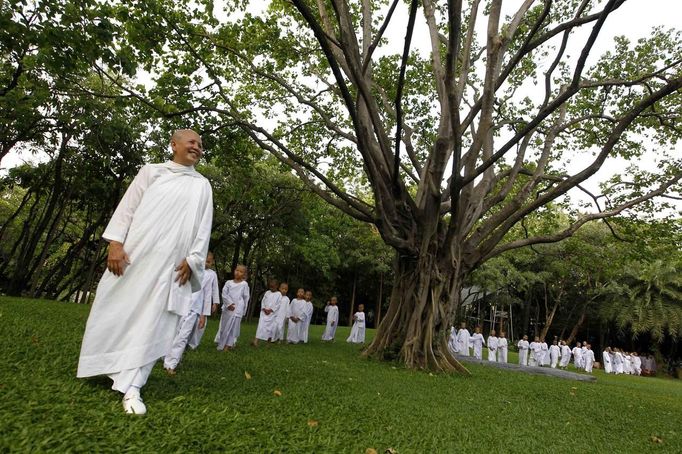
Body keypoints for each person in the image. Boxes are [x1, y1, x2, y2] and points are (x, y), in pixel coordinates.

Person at [77, 129, 213, 415]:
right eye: (192, 142)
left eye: (200, 145)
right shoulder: (152, 172)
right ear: (174, 145)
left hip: (174, 267)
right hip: (135, 257)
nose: (197, 148)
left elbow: (204, 226)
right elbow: (127, 209)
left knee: (158, 320)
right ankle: (108, 364)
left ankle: (134, 386)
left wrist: (194, 260)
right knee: (116, 308)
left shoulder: (203, 186)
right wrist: (115, 244)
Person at [164, 252, 219, 375]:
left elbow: (209, 293)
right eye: (204, 260)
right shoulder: (189, 267)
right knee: (173, 332)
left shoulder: (210, 275)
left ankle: (171, 363)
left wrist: (204, 314)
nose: (206, 263)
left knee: (184, 336)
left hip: (195, 309)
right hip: (180, 305)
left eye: (209, 261)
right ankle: (165, 356)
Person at [215, 265, 250, 351]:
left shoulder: (244, 284)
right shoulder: (228, 283)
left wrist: (243, 310)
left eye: (241, 272)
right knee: (224, 327)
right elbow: (224, 294)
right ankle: (222, 343)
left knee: (233, 328)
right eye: (237, 270)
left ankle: (228, 345)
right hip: (228, 308)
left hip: (237, 309)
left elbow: (246, 297)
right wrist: (229, 304)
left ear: (244, 274)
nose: (238, 272)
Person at [252, 279, 282, 347]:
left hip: (272, 315)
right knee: (260, 327)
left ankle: (268, 343)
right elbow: (263, 301)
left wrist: (271, 310)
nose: (271, 288)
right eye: (270, 287)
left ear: (277, 286)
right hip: (264, 313)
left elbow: (278, 304)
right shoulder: (267, 292)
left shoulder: (279, 294)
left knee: (270, 329)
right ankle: (256, 341)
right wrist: (264, 309)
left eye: (273, 287)